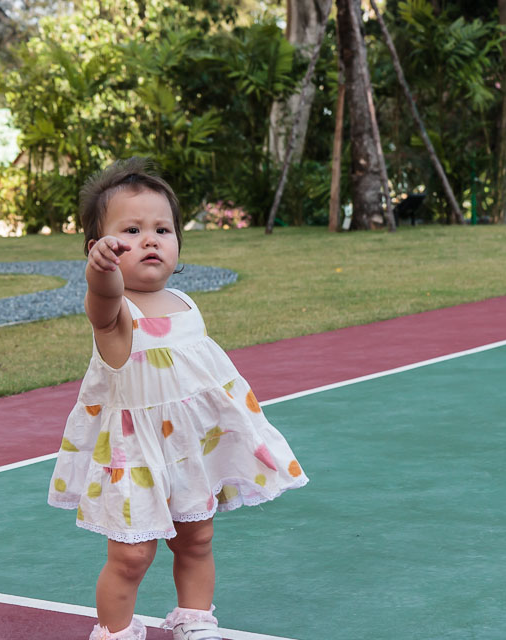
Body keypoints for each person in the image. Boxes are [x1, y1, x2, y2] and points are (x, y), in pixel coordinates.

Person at [48, 157, 308, 640]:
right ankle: (115, 632)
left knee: (197, 538)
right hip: (135, 453)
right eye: (131, 230)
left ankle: (195, 618)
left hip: (190, 448)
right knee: (131, 555)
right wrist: (100, 271)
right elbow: (101, 299)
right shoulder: (115, 314)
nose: (150, 239)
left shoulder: (186, 304)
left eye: (162, 230)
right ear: (98, 246)